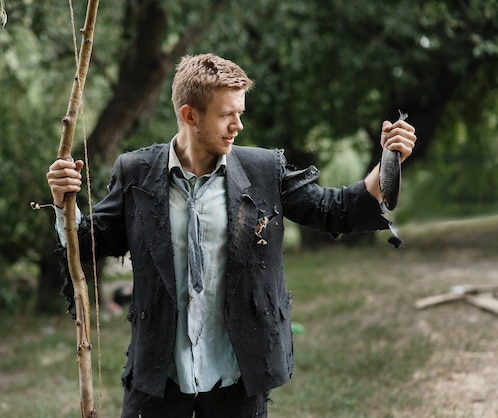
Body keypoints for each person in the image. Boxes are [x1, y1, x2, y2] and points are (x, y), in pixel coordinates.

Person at [46, 53, 417, 418]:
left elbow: (334, 210)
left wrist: (387, 163)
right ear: (189, 115)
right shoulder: (136, 172)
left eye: (240, 112)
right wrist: (64, 204)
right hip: (158, 374)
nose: (238, 125)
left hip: (237, 374)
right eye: (227, 114)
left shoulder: (263, 170)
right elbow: (92, 242)